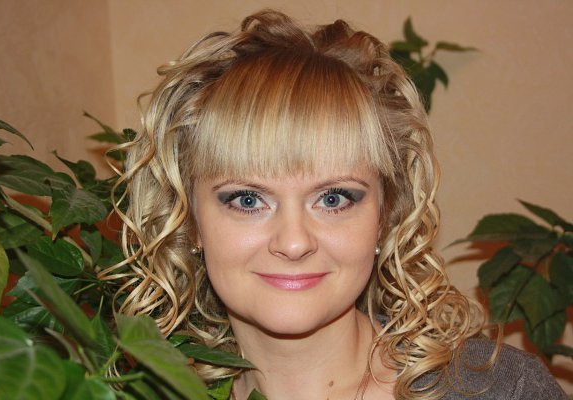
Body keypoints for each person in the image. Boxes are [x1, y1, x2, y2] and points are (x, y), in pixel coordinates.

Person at [101, 10, 567, 400]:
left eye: (332, 198)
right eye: (248, 199)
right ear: (189, 223)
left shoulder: (502, 390)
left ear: (385, 216)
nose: (294, 242)